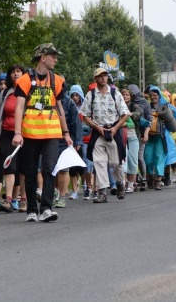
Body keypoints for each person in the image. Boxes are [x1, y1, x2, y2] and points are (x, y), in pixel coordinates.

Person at [12, 43, 73, 223]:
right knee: (30, 172)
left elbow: (60, 109)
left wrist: (66, 133)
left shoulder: (57, 81)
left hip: (52, 133)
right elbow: (19, 107)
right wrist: (17, 133)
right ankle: (31, 209)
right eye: (53, 56)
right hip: (30, 133)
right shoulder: (24, 80)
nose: (55, 59)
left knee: (49, 169)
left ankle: (46, 208)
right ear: (42, 57)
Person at [80, 68, 130, 203]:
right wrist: (96, 127)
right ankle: (102, 192)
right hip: (98, 132)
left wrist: (115, 128)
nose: (103, 78)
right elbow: (84, 116)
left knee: (115, 162)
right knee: (99, 162)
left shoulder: (115, 93)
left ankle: (119, 183)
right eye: (100, 76)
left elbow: (125, 114)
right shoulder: (90, 95)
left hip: (113, 130)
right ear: (95, 79)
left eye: (105, 76)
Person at [0, 64, 25, 212]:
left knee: (23, 167)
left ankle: (23, 199)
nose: (15, 74)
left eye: (18, 71)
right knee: (9, 166)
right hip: (7, 133)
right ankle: (8, 200)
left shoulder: (28, 91)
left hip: (26, 134)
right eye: (13, 72)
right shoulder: (5, 93)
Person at [120, 87, 142, 193]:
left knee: (133, 160)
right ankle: (123, 182)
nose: (125, 97)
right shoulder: (118, 106)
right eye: (123, 95)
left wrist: (130, 114)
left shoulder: (134, 106)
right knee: (123, 160)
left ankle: (131, 184)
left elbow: (138, 114)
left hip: (133, 135)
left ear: (131, 96)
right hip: (121, 136)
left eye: (127, 95)